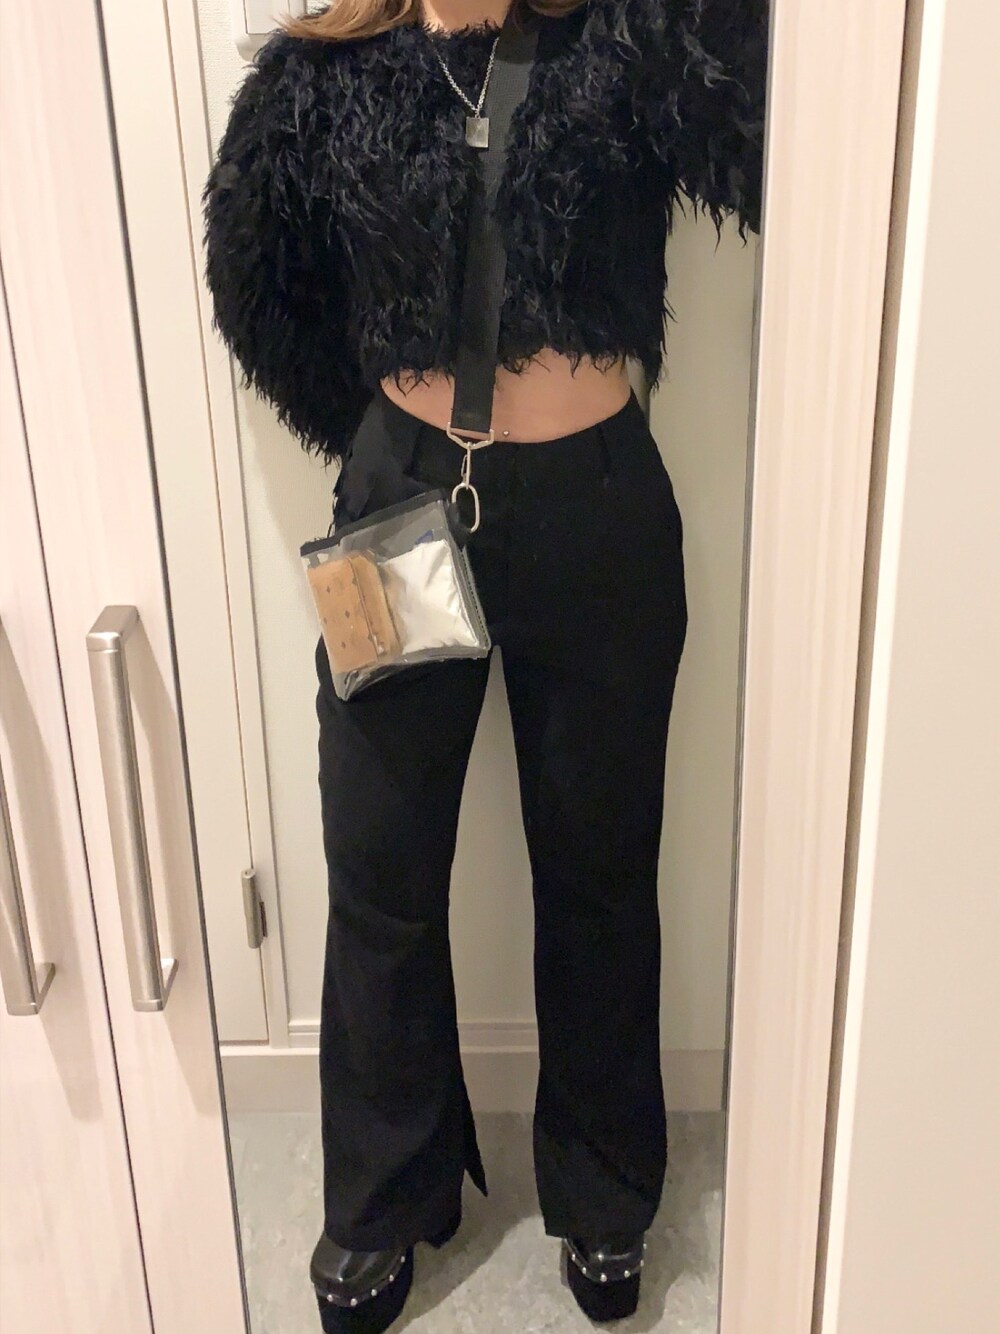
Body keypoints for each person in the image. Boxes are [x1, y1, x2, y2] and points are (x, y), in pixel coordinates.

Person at [201, 1, 767, 1328]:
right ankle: (383, 1197)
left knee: (600, 867)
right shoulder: (321, 75)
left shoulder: (631, 40)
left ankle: (605, 1191)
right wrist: (377, 425)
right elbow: (256, 280)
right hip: (400, 504)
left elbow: (763, 142)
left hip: (597, 512)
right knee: (380, 868)